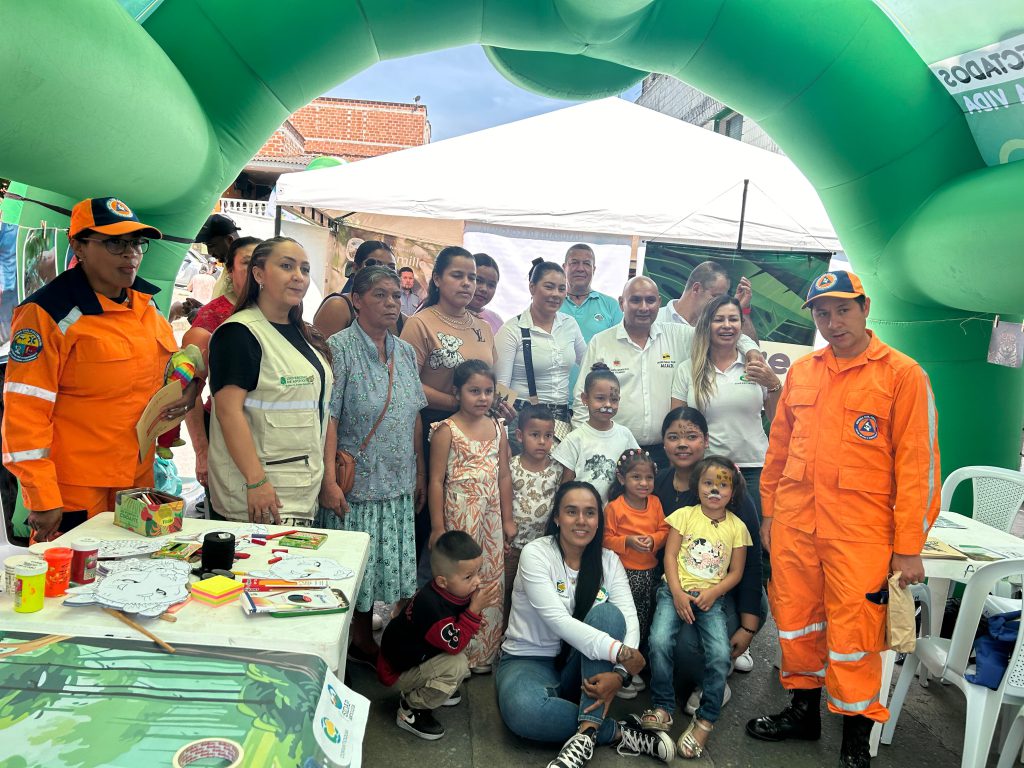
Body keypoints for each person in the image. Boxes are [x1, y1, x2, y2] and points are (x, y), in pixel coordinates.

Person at [746, 271, 941, 768]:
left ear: (865, 306)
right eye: (821, 313)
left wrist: (909, 546)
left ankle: (856, 746)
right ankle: (803, 713)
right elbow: (779, 449)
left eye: (842, 310)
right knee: (796, 625)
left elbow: (917, 467)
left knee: (857, 638)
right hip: (794, 525)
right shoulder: (804, 372)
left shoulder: (902, 375)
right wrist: (769, 514)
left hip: (862, 536)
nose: (832, 323)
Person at [2, 197, 198, 540]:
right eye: (115, 242)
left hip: (136, 481)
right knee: (69, 585)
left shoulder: (145, 304)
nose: (130, 253)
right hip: (75, 489)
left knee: (129, 576)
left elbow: (169, 369)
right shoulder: (47, 314)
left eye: (136, 243)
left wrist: (190, 387)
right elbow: (24, 412)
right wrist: (42, 495)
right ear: (78, 245)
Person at [497, 481, 675, 768]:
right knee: (524, 712)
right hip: (528, 659)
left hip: (583, 666)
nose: (581, 521)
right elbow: (558, 621)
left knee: (608, 615)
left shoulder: (609, 560)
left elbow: (629, 618)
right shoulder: (536, 554)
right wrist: (623, 655)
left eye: (590, 513)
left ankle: (585, 733)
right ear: (556, 517)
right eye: (571, 512)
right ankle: (614, 731)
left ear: (599, 520)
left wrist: (618, 674)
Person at [316, 266, 427, 667]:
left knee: (385, 568)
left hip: (397, 480)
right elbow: (329, 417)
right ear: (357, 300)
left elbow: (414, 412)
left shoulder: (405, 352)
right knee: (354, 573)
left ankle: (366, 640)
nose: (391, 304)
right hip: (354, 486)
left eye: (396, 296)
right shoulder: (339, 348)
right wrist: (328, 480)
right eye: (380, 295)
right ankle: (356, 640)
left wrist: (418, 473)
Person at [207, 237, 333, 525]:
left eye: (304, 269)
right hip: (259, 496)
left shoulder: (302, 333)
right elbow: (228, 411)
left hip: (298, 489)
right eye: (286, 266)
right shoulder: (240, 333)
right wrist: (255, 481)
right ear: (259, 274)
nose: (298, 277)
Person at [573, 277, 759, 470]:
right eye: (635, 300)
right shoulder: (601, 342)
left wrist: (751, 351)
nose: (644, 307)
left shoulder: (679, 335)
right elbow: (581, 399)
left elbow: (720, 333)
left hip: (665, 455)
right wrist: (586, 444)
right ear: (622, 303)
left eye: (650, 300)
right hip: (614, 450)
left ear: (659, 303)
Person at [401, 246, 506, 568]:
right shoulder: (420, 324)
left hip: (477, 430)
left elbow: (490, 378)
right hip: (433, 427)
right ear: (437, 278)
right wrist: (456, 403)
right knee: (430, 514)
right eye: (457, 275)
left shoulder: (483, 327)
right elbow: (406, 382)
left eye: (471, 277)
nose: (467, 284)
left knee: (470, 510)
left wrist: (495, 403)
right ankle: (419, 602)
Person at [643, 457, 752, 759]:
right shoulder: (684, 515)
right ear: (697, 486)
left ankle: (706, 719)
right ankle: (663, 706)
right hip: (673, 591)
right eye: (708, 483)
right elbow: (670, 556)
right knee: (659, 641)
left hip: (712, 598)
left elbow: (737, 572)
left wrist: (714, 592)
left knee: (719, 654)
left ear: (733, 491)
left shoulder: (738, 527)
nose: (714, 490)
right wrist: (676, 592)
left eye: (722, 485)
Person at [654, 407, 765, 689]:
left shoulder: (728, 487)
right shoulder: (656, 484)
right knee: (666, 644)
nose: (682, 444)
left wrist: (748, 627)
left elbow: (751, 563)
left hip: (725, 590)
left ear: (706, 440)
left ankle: (714, 680)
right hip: (679, 588)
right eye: (673, 436)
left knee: (690, 650)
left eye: (691, 436)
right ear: (663, 442)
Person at [427, 359, 514, 673]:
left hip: (490, 519)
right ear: (457, 392)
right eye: (474, 390)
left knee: (489, 579)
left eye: (488, 391)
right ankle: (454, 657)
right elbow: (436, 480)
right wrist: (437, 527)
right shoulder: (445, 430)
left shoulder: (497, 427)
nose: (482, 398)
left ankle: (484, 651)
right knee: (459, 583)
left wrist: (507, 520)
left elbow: (504, 475)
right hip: (460, 517)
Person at [377, 530, 502, 741]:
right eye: (469, 576)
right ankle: (410, 708)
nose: (477, 581)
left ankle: (433, 687)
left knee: (467, 643)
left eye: (478, 572)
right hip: (395, 672)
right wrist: (474, 610)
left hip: (414, 658)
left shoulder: (450, 591)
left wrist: (472, 611)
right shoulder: (432, 606)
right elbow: (454, 643)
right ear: (443, 581)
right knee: (458, 664)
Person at [670, 295, 781, 520]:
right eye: (719, 320)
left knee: (752, 543)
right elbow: (677, 423)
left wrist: (774, 384)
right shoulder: (688, 369)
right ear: (707, 325)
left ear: (741, 325)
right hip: (705, 470)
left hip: (753, 468)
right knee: (708, 546)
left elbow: (778, 419)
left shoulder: (756, 365)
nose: (727, 326)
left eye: (733, 319)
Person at [182, 236, 262, 492]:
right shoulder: (211, 319)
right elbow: (188, 391)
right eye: (247, 263)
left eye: (261, 263)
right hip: (221, 436)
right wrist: (202, 451)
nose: (255, 272)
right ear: (229, 270)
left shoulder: (279, 313)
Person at [494, 258, 586, 446]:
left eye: (561, 289)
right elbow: (501, 387)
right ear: (532, 287)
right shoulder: (512, 329)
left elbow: (588, 363)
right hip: (524, 419)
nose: (556, 294)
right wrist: (505, 424)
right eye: (549, 287)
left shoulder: (570, 324)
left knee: (557, 474)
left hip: (561, 419)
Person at [603, 449, 668, 661]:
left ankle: (637, 660)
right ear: (622, 479)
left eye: (649, 477)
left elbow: (665, 531)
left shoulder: (656, 503)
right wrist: (627, 541)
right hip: (623, 574)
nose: (643, 483)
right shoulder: (615, 508)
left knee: (644, 615)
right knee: (625, 616)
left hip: (649, 572)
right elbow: (604, 539)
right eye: (636, 477)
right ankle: (621, 659)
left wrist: (654, 540)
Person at [504, 403, 562, 626]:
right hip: (514, 546)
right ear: (519, 435)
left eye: (548, 436)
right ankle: (503, 635)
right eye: (535, 435)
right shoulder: (511, 466)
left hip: (542, 548)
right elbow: (503, 503)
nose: (542, 441)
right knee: (507, 591)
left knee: (535, 593)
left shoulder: (557, 469)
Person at [553, 364, 639, 503]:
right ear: (585, 399)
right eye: (600, 398)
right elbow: (566, 483)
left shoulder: (625, 435)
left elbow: (637, 469)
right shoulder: (575, 439)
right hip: (584, 516)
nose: (608, 405)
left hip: (617, 516)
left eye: (614, 399)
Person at [314, 240, 401, 338]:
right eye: (374, 265)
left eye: (391, 267)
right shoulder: (338, 306)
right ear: (355, 268)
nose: (383, 272)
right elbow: (319, 351)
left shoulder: (398, 316)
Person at [658, 260, 758, 342]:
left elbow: (752, 352)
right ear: (696, 288)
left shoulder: (717, 324)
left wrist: (741, 309)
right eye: (716, 297)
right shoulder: (656, 320)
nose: (719, 304)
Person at [559, 244, 623, 343]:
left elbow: (620, 345)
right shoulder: (553, 303)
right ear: (564, 267)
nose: (580, 268)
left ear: (594, 269)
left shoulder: (611, 305)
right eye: (574, 263)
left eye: (586, 263)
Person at [467, 253, 503, 335]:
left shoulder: (497, 322)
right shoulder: (445, 315)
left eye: (491, 285)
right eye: (478, 280)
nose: (484, 289)